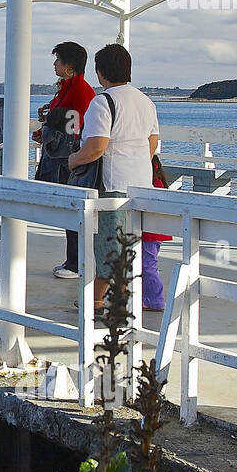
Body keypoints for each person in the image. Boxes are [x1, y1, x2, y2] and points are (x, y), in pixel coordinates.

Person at [67, 43, 160, 312]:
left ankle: (97, 300)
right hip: (141, 183)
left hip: (113, 184)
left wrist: (74, 160)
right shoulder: (146, 101)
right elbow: (152, 144)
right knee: (128, 243)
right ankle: (118, 298)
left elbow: (97, 146)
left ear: (100, 72)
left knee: (109, 243)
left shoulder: (103, 101)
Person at [37, 42, 96, 280]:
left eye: (58, 61)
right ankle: (72, 259)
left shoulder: (80, 91)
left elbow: (78, 126)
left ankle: (76, 262)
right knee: (68, 211)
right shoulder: (66, 89)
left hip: (68, 160)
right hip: (59, 157)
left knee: (74, 210)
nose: (54, 64)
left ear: (69, 67)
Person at [143, 155, 171, 311]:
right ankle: (149, 298)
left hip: (150, 233)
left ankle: (156, 300)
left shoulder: (153, 185)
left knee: (148, 266)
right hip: (154, 233)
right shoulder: (159, 183)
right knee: (148, 264)